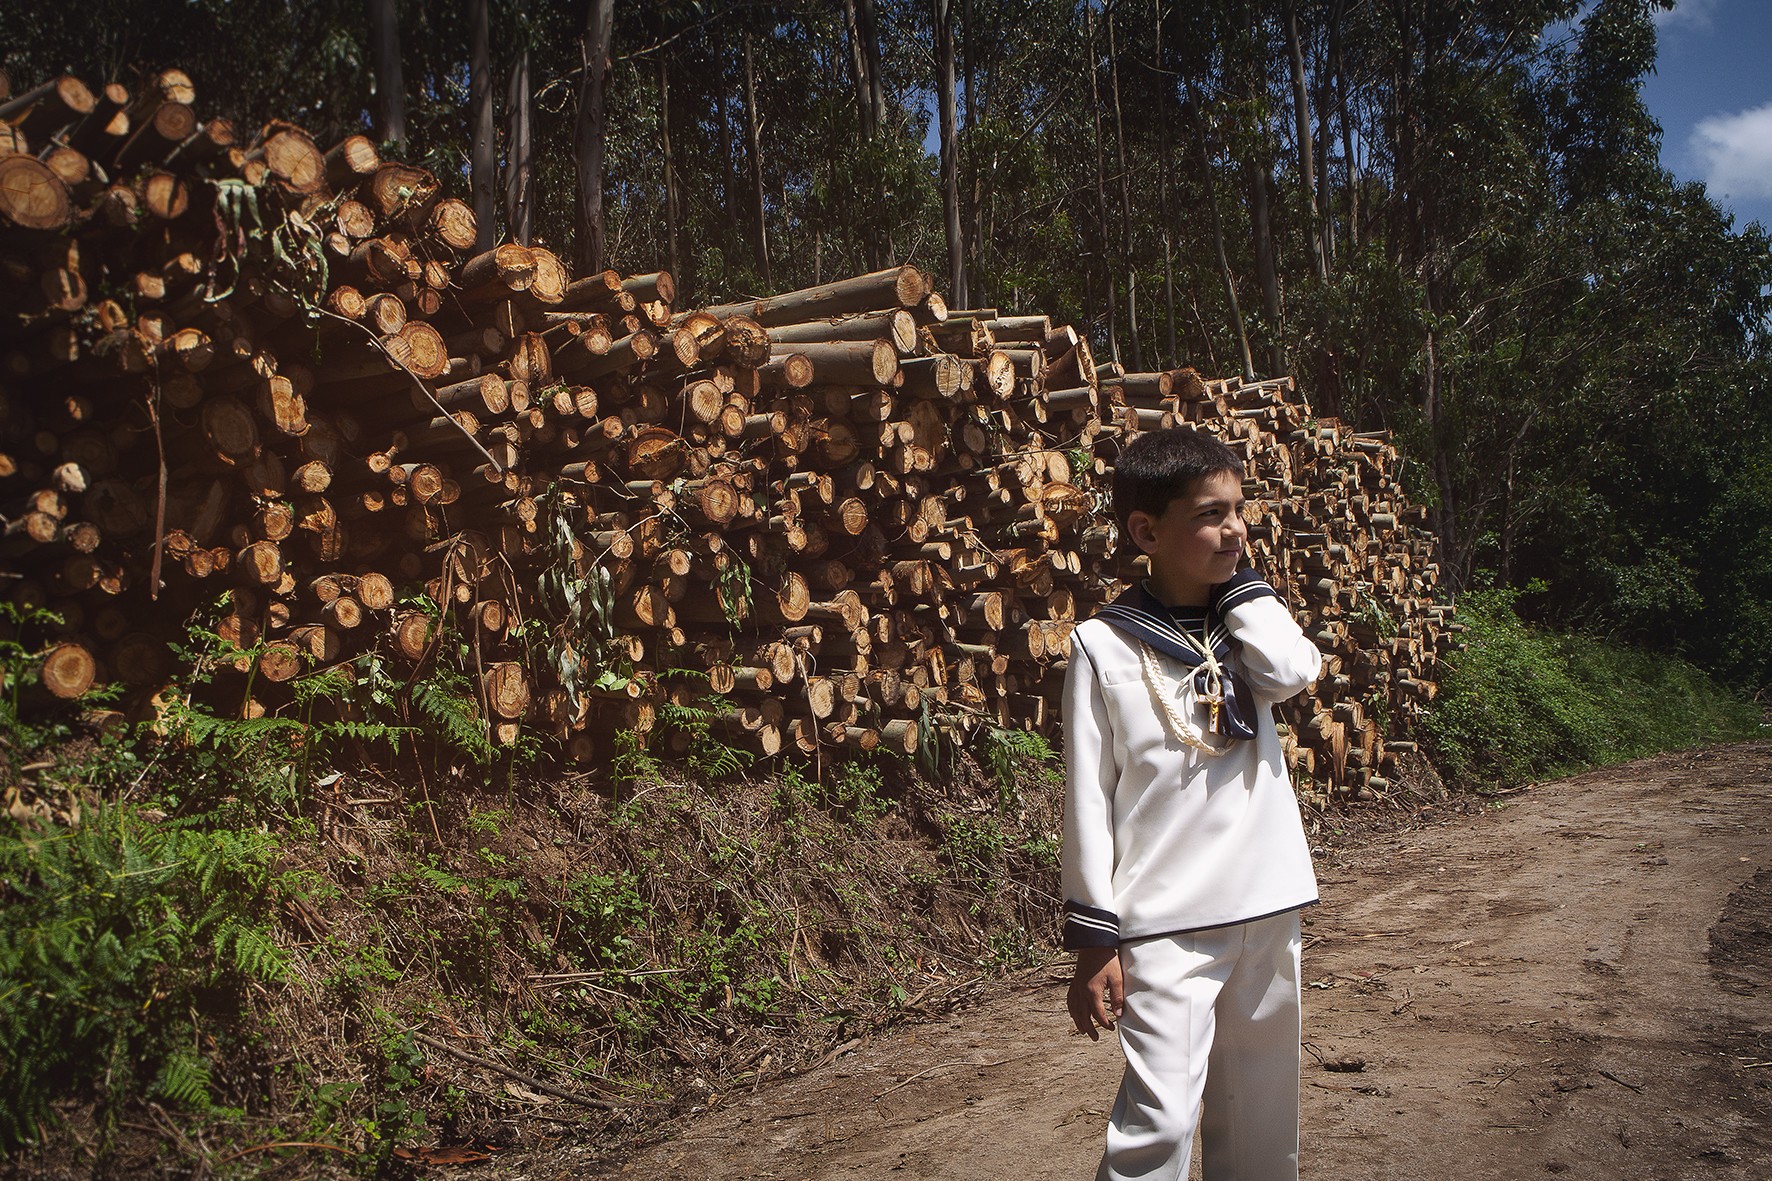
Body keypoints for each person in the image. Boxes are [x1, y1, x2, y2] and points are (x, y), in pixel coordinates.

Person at [1061, 426, 1323, 1181]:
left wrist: (1241, 586)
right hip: (1165, 922)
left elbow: (1291, 668)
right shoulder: (1103, 645)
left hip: (1267, 904)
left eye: (1239, 509)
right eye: (1211, 514)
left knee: (1261, 1115)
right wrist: (1093, 939)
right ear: (1147, 530)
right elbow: (1088, 798)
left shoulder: (1245, 629)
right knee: (1160, 1124)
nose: (1235, 527)